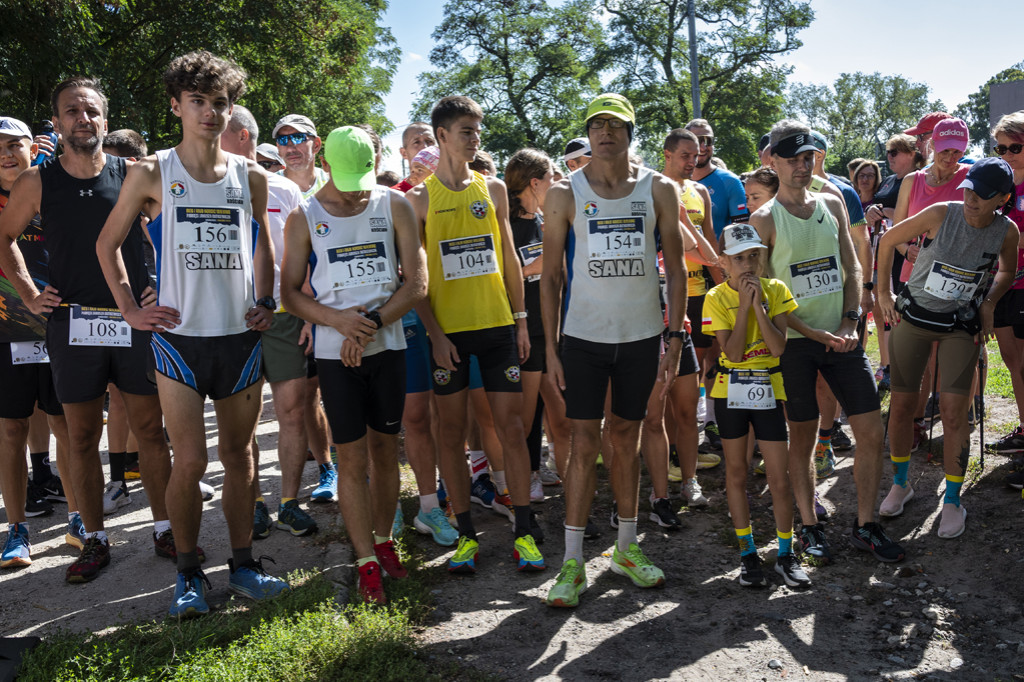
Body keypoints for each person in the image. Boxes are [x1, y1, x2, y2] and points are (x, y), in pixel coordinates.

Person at [96, 51, 288, 617]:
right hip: (178, 342)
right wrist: (130, 309)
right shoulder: (152, 171)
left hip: (238, 340)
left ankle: (245, 567)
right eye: (198, 101)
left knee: (240, 458)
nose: (209, 113)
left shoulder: (250, 175)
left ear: (230, 111)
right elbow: (107, 246)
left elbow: (265, 247)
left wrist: (266, 299)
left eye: (219, 103)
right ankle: (187, 575)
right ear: (176, 105)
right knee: (190, 463)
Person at [0, 78, 177, 584]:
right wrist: (32, 294)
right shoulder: (36, 181)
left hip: (134, 320)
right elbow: (5, 237)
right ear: (55, 123)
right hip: (73, 322)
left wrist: (161, 287)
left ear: (105, 117)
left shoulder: (134, 175)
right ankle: (95, 539)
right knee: (80, 437)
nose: (83, 119)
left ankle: (164, 526)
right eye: (71, 111)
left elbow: (171, 232)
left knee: (148, 430)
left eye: (92, 111)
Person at [542, 93, 686, 607]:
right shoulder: (564, 193)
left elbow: (678, 263)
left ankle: (627, 549)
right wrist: (553, 347)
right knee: (584, 445)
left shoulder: (659, 189)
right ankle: (572, 562)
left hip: (643, 336)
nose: (605, 132)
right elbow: (552, 275)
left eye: (615, 124)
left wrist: (674, 335)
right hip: (582, 338)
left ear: (630, 131)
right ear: (589, 131)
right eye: (596, 124)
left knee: (625, 436)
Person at [280, 126, 427, 603]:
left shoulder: (394, 204)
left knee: (387, 453)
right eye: (346, 178)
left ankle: (384, 542)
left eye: (361, 176)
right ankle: (363, 560)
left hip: (387, 348)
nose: (355, 187)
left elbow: (417, 282)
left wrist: (369, 324)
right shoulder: (306, 215)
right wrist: (337, 322)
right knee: (351, 458)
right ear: (326, 164)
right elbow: (288, 293)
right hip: (334, 354)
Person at [752, 120, 905, 564]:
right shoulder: (763, 219)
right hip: (797, 344)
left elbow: (852, 265)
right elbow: (764, 293)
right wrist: (809, 331)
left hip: (842, 337)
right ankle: (810, 526)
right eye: (792, 159)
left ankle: (866, 524)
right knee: (801, 438)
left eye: (808, 157)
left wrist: (850, 319)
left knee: (871, 432)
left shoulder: (833, 204)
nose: (802, 166)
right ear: (773, 162)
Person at [406, 95, 543, 574]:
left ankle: (524, 531)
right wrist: (435, 334)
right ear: (442, 135)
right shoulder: (418, 201)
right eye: (466, 130)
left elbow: (508, 257)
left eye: (478, 129)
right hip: (449, 336)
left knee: (512, 428)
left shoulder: (495, 190)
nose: (475, 137)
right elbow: (415, 277)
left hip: (498, 328)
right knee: (450, 433)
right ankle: (465, 535)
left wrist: (521, 320)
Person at [877, 157, 1017, 537]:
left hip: (960, 325)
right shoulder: (942, 212)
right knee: (904, 406)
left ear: (1003, 198)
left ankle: (953, 499)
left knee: (956, 413)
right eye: (969, 189)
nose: (971, 198)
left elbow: (1006, 270)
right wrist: (883, 292)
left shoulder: (1007, 232)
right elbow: (888, 239)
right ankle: (901, 483)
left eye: (983, 195)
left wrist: (988, 302)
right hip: (915, 318)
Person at [219, 105, 329, 540]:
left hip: (284, 315)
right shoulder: (202, 186)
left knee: (290, 413)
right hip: (233, 319)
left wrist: (309, 314)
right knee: (243, 421)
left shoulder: (284, 189)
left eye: (220, 132)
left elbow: (309, 258)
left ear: (242, 137)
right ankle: (256, 504)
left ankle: (289, 503)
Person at [704, 224, 807, 587]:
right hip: (730, 389)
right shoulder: (715, 296)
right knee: (736, 473)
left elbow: (778, 347)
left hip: (768, 387)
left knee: (780, 477)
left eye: (752, 256)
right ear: (723, 262)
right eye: (738, 258)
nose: (746, 265)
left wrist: (759, 307)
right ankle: (747, 552)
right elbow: (730, 352)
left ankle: (784, 552)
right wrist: (743, 308)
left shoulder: (776, 289)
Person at [0, 117, 78, 567]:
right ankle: (16, 529)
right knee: (10, 428)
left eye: (15, 145)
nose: (7, 155)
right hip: (6, 330)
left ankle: (79, 515)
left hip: (62, 324)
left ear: (34, 148)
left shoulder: (58, 190)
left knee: (67, 424)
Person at [891, 118, 971, 436]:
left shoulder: (970, 178)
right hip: (916, 277)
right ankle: (915, 422)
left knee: (950, 354)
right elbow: (896, 234)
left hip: (955, 279)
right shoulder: (913, 180)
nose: (952, 158)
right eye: (946, 150)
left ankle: (957, 423)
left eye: (958, 151)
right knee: (917, 355)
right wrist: (907, 250)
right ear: (931, 146)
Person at [659, 128, 722, 509]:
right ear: (666, 154)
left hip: (699, 297)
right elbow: (689, 248)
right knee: (666, 395)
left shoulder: (700, 192)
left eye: (696, 155)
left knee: (694, 381)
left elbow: (708, 240)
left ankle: (688, 469)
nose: (691, 161)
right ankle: (666, 461)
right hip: (664, 299)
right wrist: (713, 260)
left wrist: (722, 288)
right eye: (684, 155)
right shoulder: (654, 189)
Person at [503, 148, 571, 499]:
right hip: (522, 331)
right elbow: (497, 277)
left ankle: (552, 471)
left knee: (559, 414)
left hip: (551, 330)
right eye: (552, 177)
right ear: (534, 182)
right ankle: (522, 475)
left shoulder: (546, 221)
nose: (557, 183)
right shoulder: (507, 225)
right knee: (525, 415)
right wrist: (536, 265)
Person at [865, 134, 925, 392]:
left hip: (908, 253)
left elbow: (920, 215)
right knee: (884, 310)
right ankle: (889, 367)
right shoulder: (889, 181)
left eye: (895, 151)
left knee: (904, 312)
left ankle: (907, 370)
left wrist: (890, 214)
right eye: (888, 151)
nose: (889, 156)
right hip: (883, 252)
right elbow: (874, 210)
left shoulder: (921, 179)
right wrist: (871, 213)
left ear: (913, 154)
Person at [985, 113, 1024, 464]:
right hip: (1002, 284)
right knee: (1013, 363)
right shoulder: (1001, 186)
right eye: (1001, 148)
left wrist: (1004, 237)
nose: (1008, 154)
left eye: (1016, 147)